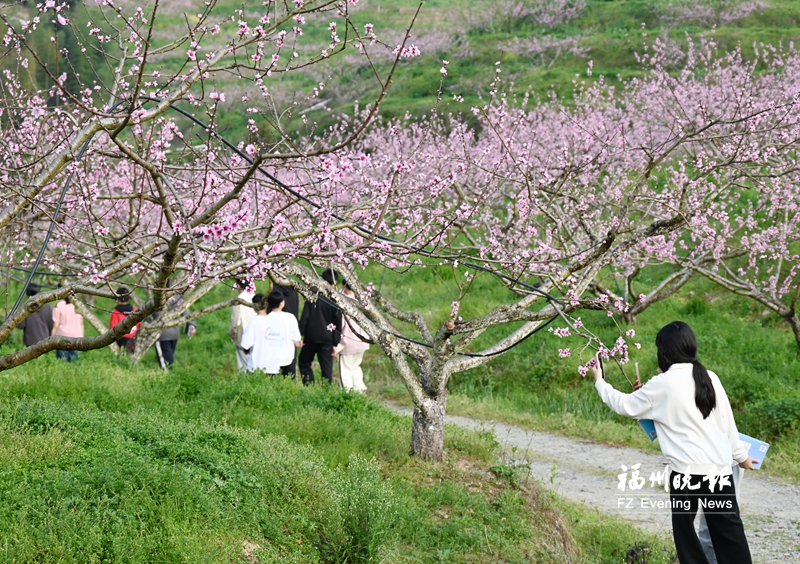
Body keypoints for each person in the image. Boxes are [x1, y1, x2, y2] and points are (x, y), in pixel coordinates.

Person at [590, 321, 757, 564]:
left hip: (685, 475)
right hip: (719, 472)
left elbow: (624, 405)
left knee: (686, 538)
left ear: (665, 353)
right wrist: (741, 457)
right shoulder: (709, 377)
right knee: (730, 536)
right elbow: (727, 422)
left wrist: (600, 381)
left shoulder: (663, 383)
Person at [298, 269, 342, 385]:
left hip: (311, 337)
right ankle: (327, 390)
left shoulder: (313, 296)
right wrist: (335, 342)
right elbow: (338, 322)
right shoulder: (335, 300)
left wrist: (300, 334)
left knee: (304, 362)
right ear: (335, 282)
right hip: (327, 339)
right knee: (326, 367)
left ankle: (309, 385)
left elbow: (305, 317)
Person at [240, 291, 302, 374]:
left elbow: (246, 344)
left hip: (263, 363)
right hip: (284, 360)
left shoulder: (259, 321)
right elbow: (296, 339)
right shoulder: (287, 318)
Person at [333, 282, 370, 392]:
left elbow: (340, 324)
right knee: (355, 367)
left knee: (345, 370)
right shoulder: (362, 302)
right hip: (362, 341)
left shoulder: (343, 302)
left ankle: (347, 394)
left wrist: (336, 343)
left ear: (344, 286)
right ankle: (360, 391)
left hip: (347, 343)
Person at [152, 294, 197, 370]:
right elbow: (187, 313)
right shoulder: (177, 298)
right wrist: (192, 325)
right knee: (169, 356)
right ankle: (171, 376)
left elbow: (148, 317)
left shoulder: (156, 298)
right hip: (174, 333)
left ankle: (168, 377)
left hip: (161, 335)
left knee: (165, 362)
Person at [273, 281, 299, 377]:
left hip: (275, 335)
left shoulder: (274, 291)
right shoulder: (293, 290)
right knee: (290, 370)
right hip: (290, 332)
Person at [229, 278, 256, 371]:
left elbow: (235, 322)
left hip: (243, 338)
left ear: (239, 285)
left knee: (244, 368)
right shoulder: (256, 297)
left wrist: (232, 335)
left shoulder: (238, 300)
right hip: (257, 338)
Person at [18, 283, 53, 347]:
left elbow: (21, 325)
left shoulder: (26, 306)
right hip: (44, 339)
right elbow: (51, 324)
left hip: (30, 340)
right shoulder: (47, 306)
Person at [51, 296, 84, 362]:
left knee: (62, 362)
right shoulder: (78, 304)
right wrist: (82, 337)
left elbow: (56, 325)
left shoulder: (58, 306)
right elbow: (81, 323)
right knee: (74, 361)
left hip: (62, 337)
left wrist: (51, 338)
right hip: (76, 337)